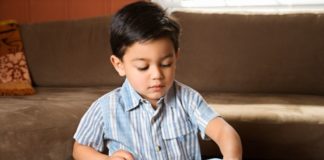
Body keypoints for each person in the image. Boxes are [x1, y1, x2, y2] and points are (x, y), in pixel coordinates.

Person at [72, 1, 242, 160]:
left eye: (166, 64)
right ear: (119, 65)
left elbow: (224, 133)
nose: (157, 75)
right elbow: (80, 149)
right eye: (143, 67)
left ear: (176, 57)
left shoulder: (188, 99)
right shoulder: (104, 108)